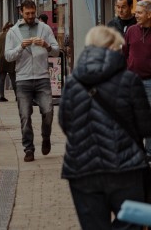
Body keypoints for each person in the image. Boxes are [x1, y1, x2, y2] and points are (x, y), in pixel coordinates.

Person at [60, 26, 151, 229]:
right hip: (125, 167)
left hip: (82, 169)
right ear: (111, 48)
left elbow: (66, 124)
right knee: (132, 222)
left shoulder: (72, 83)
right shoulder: (129, 81)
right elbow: (145, 128)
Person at [5, 0, 60, 162]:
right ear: (21, 12)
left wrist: (46, 46)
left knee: (48, 111)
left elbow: (57, 51)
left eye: (32, 13)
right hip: (23, 79)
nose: (30, 16)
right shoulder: (13, 32)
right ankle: (28, 149)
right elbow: (8, 56)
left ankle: (46, 137)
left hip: (42, 77)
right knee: (25, 115)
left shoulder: (45, 29)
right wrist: (20, 47)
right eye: (27, 13)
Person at [122, 0, 151, 158]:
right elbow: (124, 54)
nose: (136, 15)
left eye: (139, 12)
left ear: (149, 14)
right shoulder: (131, 30)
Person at [0, 21, 16, 102]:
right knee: (13, 77)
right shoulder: (12, 35)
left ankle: (2, 96)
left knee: (1, 78)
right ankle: (17, 96)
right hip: (9, 57)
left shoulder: (0, 35)